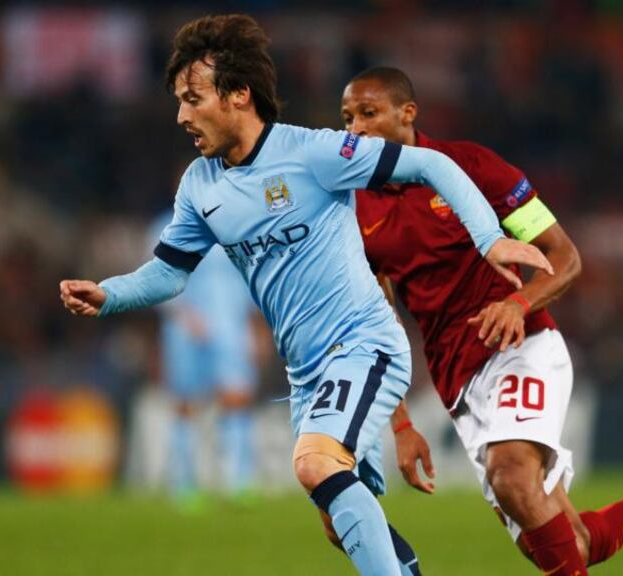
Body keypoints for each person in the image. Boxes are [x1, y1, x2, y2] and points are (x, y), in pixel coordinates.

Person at [59, 15, 552, 576]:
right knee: (339, 520)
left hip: (364, 344)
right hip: (305, 374)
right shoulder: (200, 184)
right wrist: (109, 294)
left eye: (193, 99)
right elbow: (171, 273)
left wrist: (490, 240)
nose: (182, 116)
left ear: (238, 94)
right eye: (178, 101)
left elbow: (431, 163)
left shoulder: (314, 154)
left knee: (317, 463)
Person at [341, 66, 623, 575]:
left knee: (512, 476)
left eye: (369, 114)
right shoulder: (354, 206)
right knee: (569, 545)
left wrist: (517, 304)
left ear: (407, 113)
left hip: (520, 345)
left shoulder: (471, 168)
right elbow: (375, 319)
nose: (356, 129)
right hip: (457, 380)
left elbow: (564, 258)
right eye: (347, 118)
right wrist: (401, 423)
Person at [152, 209, 259, 509]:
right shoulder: (165, 227)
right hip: (184, 328)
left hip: (231, 325)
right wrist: (182, 314)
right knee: (186, 404)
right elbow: (154, 277)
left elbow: (251, 274)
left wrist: (255, 325)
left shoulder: (236, 221)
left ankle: (239, 482)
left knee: (236, 397)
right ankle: (185, 486)